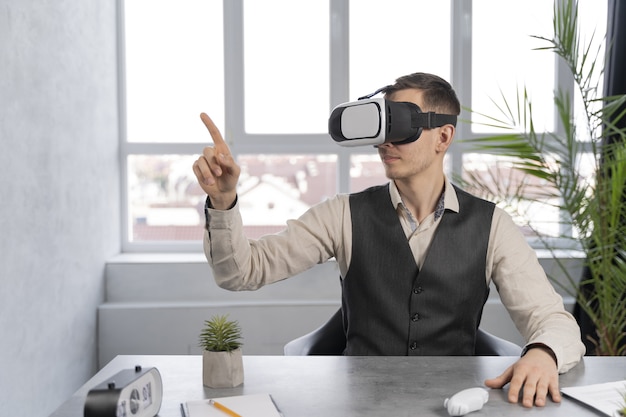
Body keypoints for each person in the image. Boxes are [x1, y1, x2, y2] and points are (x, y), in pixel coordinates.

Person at [192, 72, 585, 408]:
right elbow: (240, 273)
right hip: (356, 404)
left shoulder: (492, 225)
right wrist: (223, 201)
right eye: (382, 127)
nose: (385, 142)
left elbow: (553, 320)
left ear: (443, 136)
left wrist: (544, 353)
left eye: (401, 126)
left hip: (457, 404)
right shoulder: (342, 214)